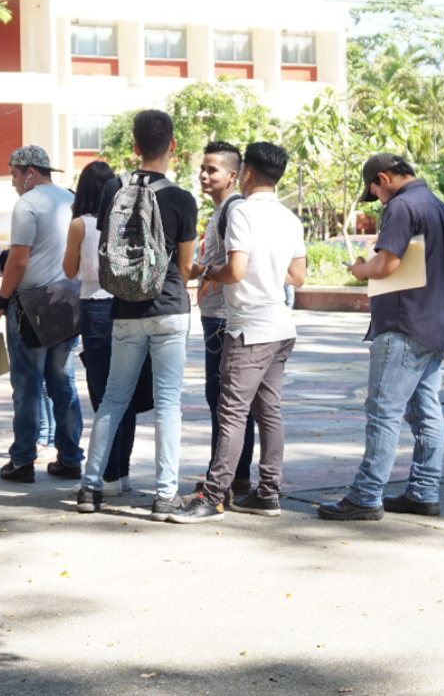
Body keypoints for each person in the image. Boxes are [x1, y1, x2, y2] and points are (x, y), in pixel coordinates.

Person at [169, 142, 306, 523]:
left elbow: (235, 271)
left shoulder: (243, 211)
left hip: (250, 328)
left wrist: (206, 273)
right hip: (280, 326)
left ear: (245, 173)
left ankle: (211, 497)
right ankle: (268, 492)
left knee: (231, 413)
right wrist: (264, 273)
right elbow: (297, 276)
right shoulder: (289, 218)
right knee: (269, 412)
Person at [317, 154, 444, 521]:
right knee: (426, 412)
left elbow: (386, 264)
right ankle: (424, 490)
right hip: (433, 323)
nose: (377, 198)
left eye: (374, 191)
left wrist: (360, 269)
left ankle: (365, 494)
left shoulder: (401, 206)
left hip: (403, 324)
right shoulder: (437, 205)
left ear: (383, 178)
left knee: (383, 412)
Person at [76, 115, 197, 515]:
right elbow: (184, 264)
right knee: (167, 405)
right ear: (173, 146)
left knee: (112, 399)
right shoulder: (182, 199)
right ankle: (164, 496)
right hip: (169, 309)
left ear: (135, 145)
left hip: (124, 309)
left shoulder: (114, 191)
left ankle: (90, 488)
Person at [0, 145, 85, 484]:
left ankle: (22, 460)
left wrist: (1, 299)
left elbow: (18, 261)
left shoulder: (28, 204)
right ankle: (70, 457)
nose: (14, 184)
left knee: (28, 384)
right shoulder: (71, 198)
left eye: (15, 176)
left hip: (31, 305)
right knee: (62, 383)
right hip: (68, 300)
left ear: (29, 172)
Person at [63, 161, 135, 495]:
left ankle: (107, 475)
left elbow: (69, 269)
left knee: (103, 395)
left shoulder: (80, 224)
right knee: (126, 393)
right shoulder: (126, 221)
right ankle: (121, 472)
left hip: (94, 308)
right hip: (126, 306)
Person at [190, 141, 256, 497]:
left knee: (225, 401)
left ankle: (226, 479)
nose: (204, 174)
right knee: (225, 400)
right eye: (202, 168)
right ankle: (235, 475)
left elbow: (237, 268)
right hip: (216, 317)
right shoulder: (222, 210)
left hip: (224, 319)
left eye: (212, 169)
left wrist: (204, 272)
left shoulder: (234, 210)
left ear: (233, 176)